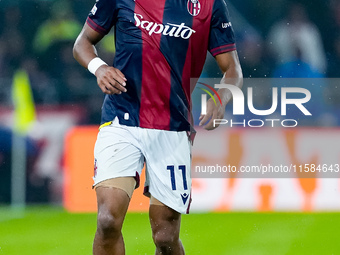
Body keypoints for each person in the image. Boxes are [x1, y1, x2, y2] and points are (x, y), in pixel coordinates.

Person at [73, 0, 242, 254]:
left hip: (172, 127)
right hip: (121, 118)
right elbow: (82, 43)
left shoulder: (209, 5)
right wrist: (100, 69)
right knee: (108, 220)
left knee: (165, 236)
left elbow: (233, 69)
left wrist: (221, 99)